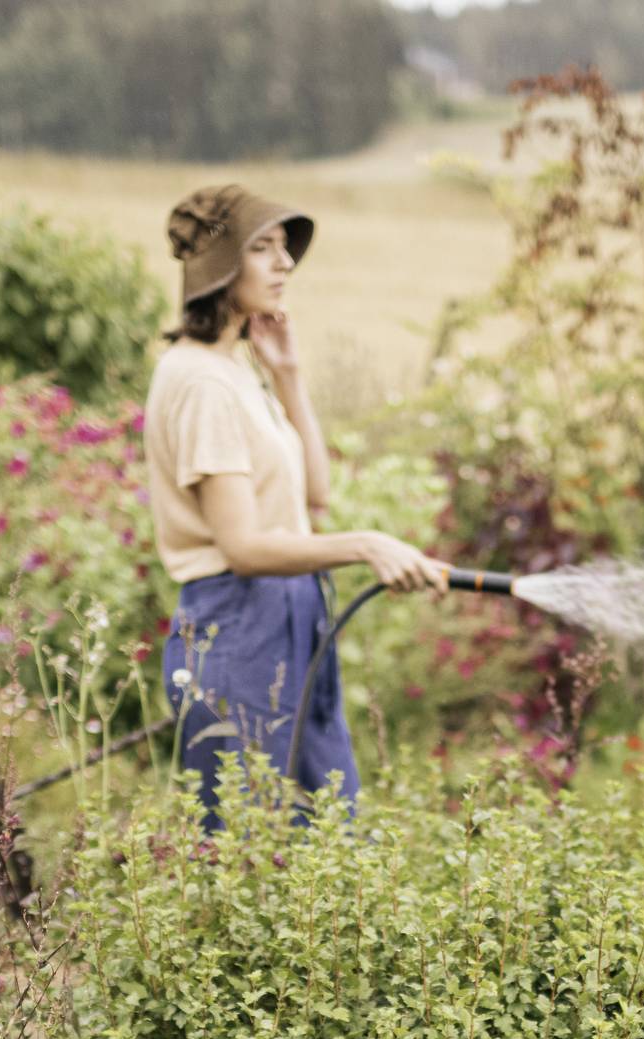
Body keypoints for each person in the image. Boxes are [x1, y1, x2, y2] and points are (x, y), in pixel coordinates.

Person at [142, 183, 444, 828]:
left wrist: (289, 376)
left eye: (286, 248)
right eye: (262, 247)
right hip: (237, 626)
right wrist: (368, 546)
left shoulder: (234, 372)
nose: (284, 265)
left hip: (290, 617)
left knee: (329, 831)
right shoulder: (199, 382)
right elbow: (245, 548)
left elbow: (314, 495)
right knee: (251, 851)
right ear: (220, 266)